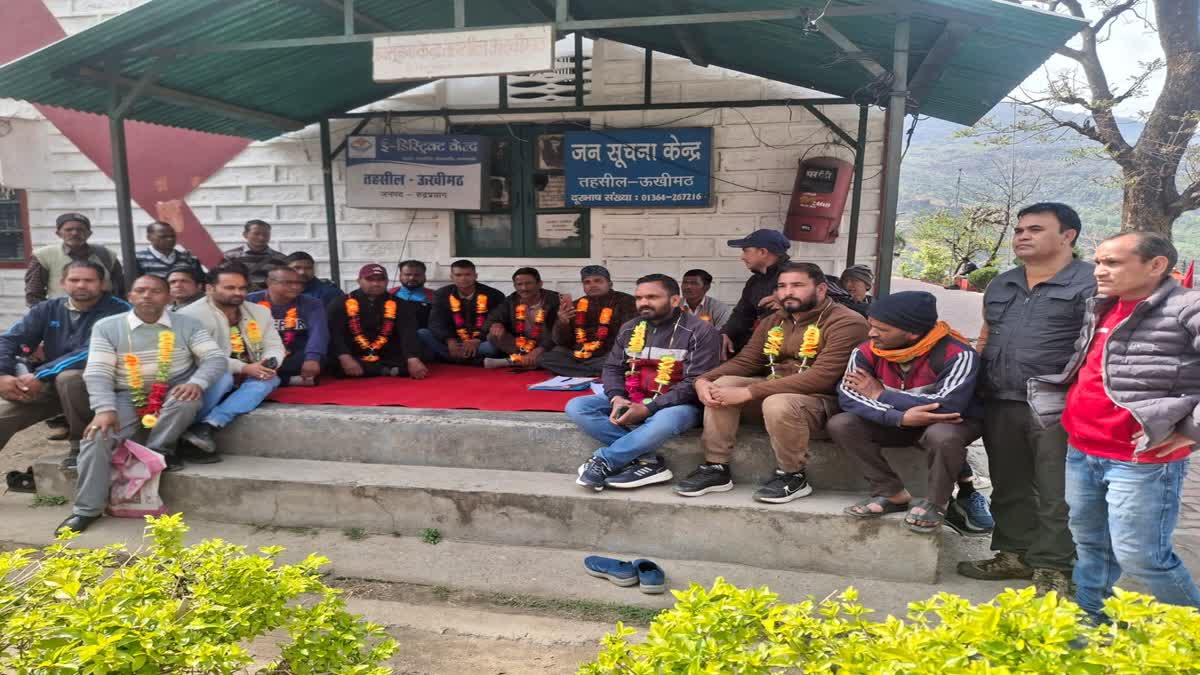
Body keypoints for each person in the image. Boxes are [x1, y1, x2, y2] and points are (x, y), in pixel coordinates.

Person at [1029, 231, 1200, 622]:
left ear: (1156, 265)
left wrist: (1192, 430)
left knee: (1142, 557)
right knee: (1091, 547)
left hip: (1141, 458)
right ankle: (1091, 625)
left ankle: (1191, 632)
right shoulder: (1104, 305)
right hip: (1083, 449)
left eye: (1112, 263)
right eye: (1098, 262)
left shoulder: (1187, 307)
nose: (1099, 271)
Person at [958, 202, 1095, 596]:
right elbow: (986, 336)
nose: (1022, 236)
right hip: (1000, 398)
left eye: (1035, 229)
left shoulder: (1090, 283)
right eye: (1019, 230)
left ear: (1068, 236)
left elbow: (1099, 346)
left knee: (1056, 490)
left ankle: (1054, 566)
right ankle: (1014, 554)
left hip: (1057, 404)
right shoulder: (1003, 283)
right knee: (1008, 483)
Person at [675, 263, 868, 502]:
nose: (787, 292)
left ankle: (792, 475)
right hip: (772, 392)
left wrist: (750, 392)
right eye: (782, 286)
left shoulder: (847, 322)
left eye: (797, 285)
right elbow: (746, 361)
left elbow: (822, 377)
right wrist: (703, 379)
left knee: (778, 402)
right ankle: (716, 468)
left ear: (820, 289)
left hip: (822, 402)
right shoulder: (775, 320)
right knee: (723, 384)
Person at [56, 275, 225, 534]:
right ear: (130, 296)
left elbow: (214, 358)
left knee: (185, 399)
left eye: (156, 291)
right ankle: (86, 510)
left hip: (173, 390)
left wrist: (197, 382)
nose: (147, 295)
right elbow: (98, 372)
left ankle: (158, 451)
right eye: (141, 290)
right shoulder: (108, 326)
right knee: (96, 436)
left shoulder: (187, 324)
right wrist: (104, 410)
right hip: (126, 393)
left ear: (169, 297)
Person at [830, 291, 984, 534]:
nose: (871, 333)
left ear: (912, 332)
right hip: (896, 423)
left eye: (882, 329)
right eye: (871, 325)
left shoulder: (958, 354)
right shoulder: (866, 351)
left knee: (943, 436)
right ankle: (891, 492)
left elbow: (946, 405)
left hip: (946, 423)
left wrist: (881, 395)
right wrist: (898, 418)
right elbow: (849, 396)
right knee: (842, 423)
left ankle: (936, 503)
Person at [570, 274, 721, 490]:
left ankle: (605, 460)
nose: (643, 303)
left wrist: (649, 408)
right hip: (633, 395)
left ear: (675, 300)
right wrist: (616, 397)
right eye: (639, 298)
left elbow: (694, 382)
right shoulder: (630, 327)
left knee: (664, 420)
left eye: (652, 297)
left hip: (681, 403)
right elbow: (613, 367)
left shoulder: (700, 331)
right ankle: (647, 460)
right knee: (578, 406)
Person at [0, 261, 128, 469]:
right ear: (63, 283)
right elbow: (9, 339)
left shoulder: (119, 311)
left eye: (88, 280)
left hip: (102, 385)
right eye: (74, 280)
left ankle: (82, 445)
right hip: (51, 381)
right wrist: (3, 375)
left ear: (103, 284)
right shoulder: (48, 308)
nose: (81, 285)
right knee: (4, 416)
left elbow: (91, 352)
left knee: (70, 378)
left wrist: (41, 374)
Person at [178, 263, 285, 462]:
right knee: (223, 377)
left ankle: (209, 425)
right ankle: (187, 428)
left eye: (242, 288)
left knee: (269, 379)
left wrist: (269, 363)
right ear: (210, 288)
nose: (238, 292)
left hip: (250, 371)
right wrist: (243, 367)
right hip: (206, 376)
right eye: (230, 287)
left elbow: (274, 345)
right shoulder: (190, 316)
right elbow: (201, 357)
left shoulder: (259, 312)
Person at [720, 229, 866, 359]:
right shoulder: (754, 282)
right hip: (767, 347)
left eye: (745, 250)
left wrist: (791, 302)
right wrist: (726, 333)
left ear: (763, 252)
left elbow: (853, 306)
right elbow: (742, 314)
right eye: (782, 286)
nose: (742, 257)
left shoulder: (802, 274)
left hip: (805, 350)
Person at [329, 264, 428, 379]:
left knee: (413, 360)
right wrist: (345, 357)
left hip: (388, 354)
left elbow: (408, 333)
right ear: (359, 281)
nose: (376, 283)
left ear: (387, 281)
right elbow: (335, 334)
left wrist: (412, 358)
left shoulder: (400, 304)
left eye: (381, 279)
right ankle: (387, 370)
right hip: (354, 354)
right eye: (370, 279)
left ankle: (379, 369)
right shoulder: (340, 303)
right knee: (335, 364)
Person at [541, 265, 638, 377]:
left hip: (609, 353)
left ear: (610, 284)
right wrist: (562, 323)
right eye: (587, 282)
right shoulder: (576, 305)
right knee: (546, 358)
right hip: (579, 353)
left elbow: (629, 337)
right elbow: (562, 342)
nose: (592, 285)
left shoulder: (627, 302)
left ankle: (580, 370)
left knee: (622, 358)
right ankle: (596, 371)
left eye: (598, 281)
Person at [248, 267, 329, 386]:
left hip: (295, 353)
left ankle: (264, 377)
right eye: (288, 283)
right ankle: (289, 380)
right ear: (270, 282)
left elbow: (318, 333)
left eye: (299, 283)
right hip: (260, 351)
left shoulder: (312, 303)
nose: (295, 287)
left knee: (318, 357)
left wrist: (312, 358)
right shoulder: (250, 301)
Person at [27, 212, 124, 306]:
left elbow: (121, 289)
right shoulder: (43, 256)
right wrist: (47, 314)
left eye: (80, 230)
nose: (74, 233)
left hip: (104, 312)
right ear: (58, 233)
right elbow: (33, 295)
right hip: (62, 313)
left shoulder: (107, 255)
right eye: (68, 230)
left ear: (89, 233)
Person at [421, 260, 506, 365]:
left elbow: (495, 320)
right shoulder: (441, 294)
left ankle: (453, 358)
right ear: (451, 277)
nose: (463, 279)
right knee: (422, 333)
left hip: (480, 341)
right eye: (458, 275)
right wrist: (450, 340)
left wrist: (478, 340)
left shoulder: (494, 295)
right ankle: (472, 360)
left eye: (467, 274)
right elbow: (436, 322)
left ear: (475, 276)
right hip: (453, 340)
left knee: (491, 348)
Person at [483, 267, 561, 369]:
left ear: (540, 284)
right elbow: (492, 318)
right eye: (519, 284)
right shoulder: (511, 300)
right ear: (514, 286)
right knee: (493, 335)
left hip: (548, 345)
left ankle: (513, 361)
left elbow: (559, 333)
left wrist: (541, 349)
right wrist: (496, 324)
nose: (524, 288)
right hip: (522, 345)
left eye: (528, 283)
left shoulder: (555, 300)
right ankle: (528, 359)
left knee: (561, 353)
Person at [221, 219, 288, 292]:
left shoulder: (280, 259)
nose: (261, 237)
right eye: (256, 234)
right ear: (245, 234)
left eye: (266, 234)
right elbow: (221, 279)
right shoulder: (230, 256)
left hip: (268, 297)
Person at [132, 221, 204, 280]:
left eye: (172, 236)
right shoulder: (137, 259)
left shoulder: (188, 258)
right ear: (149, 237)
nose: (170, 239)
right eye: (163, 236)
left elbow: (199, 283)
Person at [391, 259, 434, 330]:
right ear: (400, 276)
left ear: (424, 276)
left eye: (417, 275)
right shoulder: (390, 294)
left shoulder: (435, 296)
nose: (412, 278)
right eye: (407, 274)